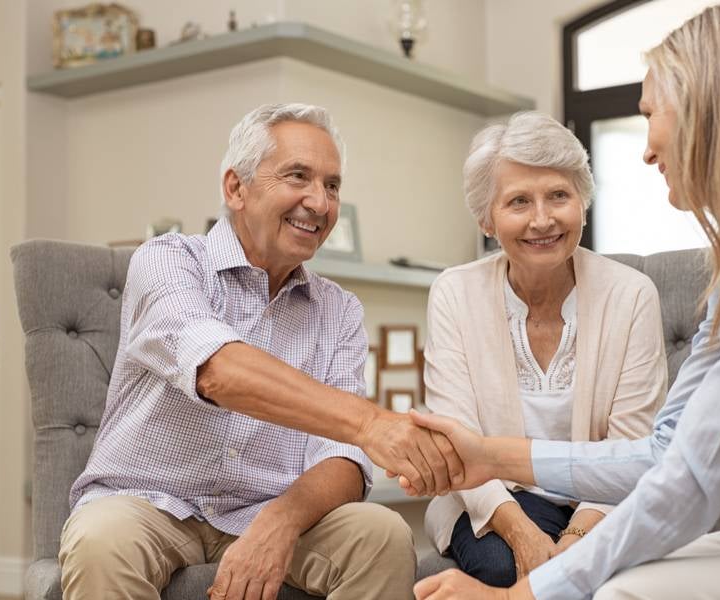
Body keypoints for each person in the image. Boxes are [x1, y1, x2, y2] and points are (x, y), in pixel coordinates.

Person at [410, 2, 720, 598]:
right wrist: (490, 455)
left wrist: (524, 595)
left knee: (623, 592)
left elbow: (694, 481)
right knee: (640, 575)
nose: (646, 149)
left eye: (651, 113)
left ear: (709, 111)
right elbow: (664, 453)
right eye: (518, 202)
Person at [58, 103, 463, 600]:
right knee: (101, 541)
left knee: (381, 534)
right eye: (298, 176)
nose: (319, 202)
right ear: (236, 188)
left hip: (270, 503)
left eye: (332, 186)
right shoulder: (167, 261)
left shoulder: (338, 309)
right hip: (147, 503)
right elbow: (217, 371)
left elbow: (343, 457)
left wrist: (283, 518)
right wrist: (372, 424)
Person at [422, 111, 666, 587]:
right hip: (494, 498)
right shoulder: (454, 292)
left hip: (603, 501)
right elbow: (457, 439)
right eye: (518, 201)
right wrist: (526, 538)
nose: (542, 219)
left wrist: (572, 544)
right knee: (502, 565)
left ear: (583, 202)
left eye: (559, 195)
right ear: (486, 219)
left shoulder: (632, 295)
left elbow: (631, 448)